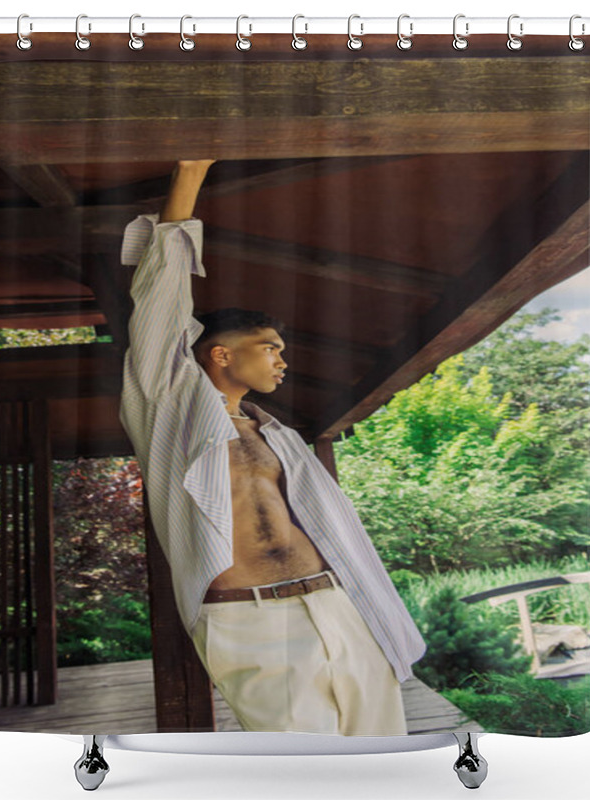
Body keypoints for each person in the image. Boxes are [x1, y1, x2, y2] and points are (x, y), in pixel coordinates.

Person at [118, 159, 427, 735]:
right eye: (270, 347)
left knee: (381, 759)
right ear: (221, 353)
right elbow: (160, 300)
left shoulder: (277, 436)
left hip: (338, 603)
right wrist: (191, 170)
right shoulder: (168, 411)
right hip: (248, 617)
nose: (282, 361)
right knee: (301, 769)